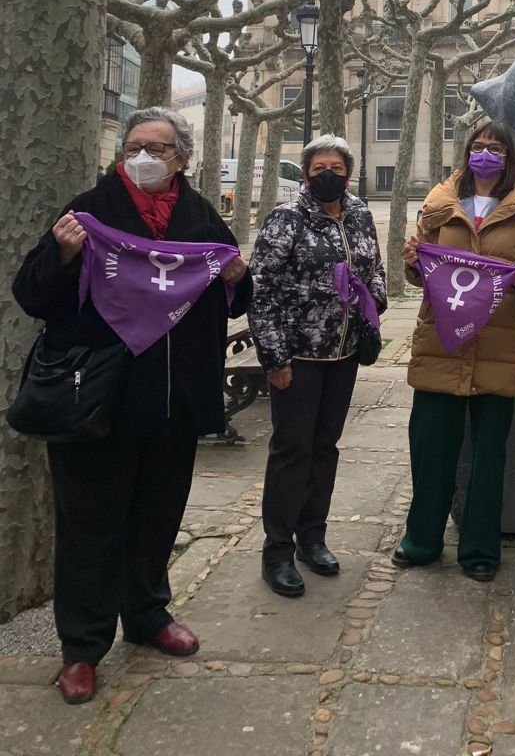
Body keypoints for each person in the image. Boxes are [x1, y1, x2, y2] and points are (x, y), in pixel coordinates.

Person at [12, 107, 252, 705]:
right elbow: (32, 295)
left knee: (155, 518)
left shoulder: (202, 220)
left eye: (159, 148)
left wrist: (237, 276)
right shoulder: (89, 212)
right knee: (90, 524)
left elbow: (234, 298)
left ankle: (147, 616)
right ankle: (82, 647)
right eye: (135, 146)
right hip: (97, 401)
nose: (144, 156)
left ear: (183, 160)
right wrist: (62, 256)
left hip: (173, 403)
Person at [394, 121, 515, 581]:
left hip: (498, 347)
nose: (486, 153)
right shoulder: (438, 205)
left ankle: (480, 549)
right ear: (466, 152)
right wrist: (411, 262)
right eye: (479, 146)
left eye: (496, 148)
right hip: (442, 344)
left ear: (509, 157)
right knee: (430, 450)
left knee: (488, 457)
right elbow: (420, 271)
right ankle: (420, 540)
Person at [249, 134, 387, 598]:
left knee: (325, 447)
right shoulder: (286, 219)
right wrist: (273, 356)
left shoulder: (361, 213)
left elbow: (374, 268)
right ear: (306, 174)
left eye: (337, 166)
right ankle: (277, 552)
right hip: (297, 356)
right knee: (292, 451)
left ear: (348, 172)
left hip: (343, 353)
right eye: (319, 166)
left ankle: (313, 538)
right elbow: (261, 288)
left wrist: (374, 302)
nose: (328, 173)